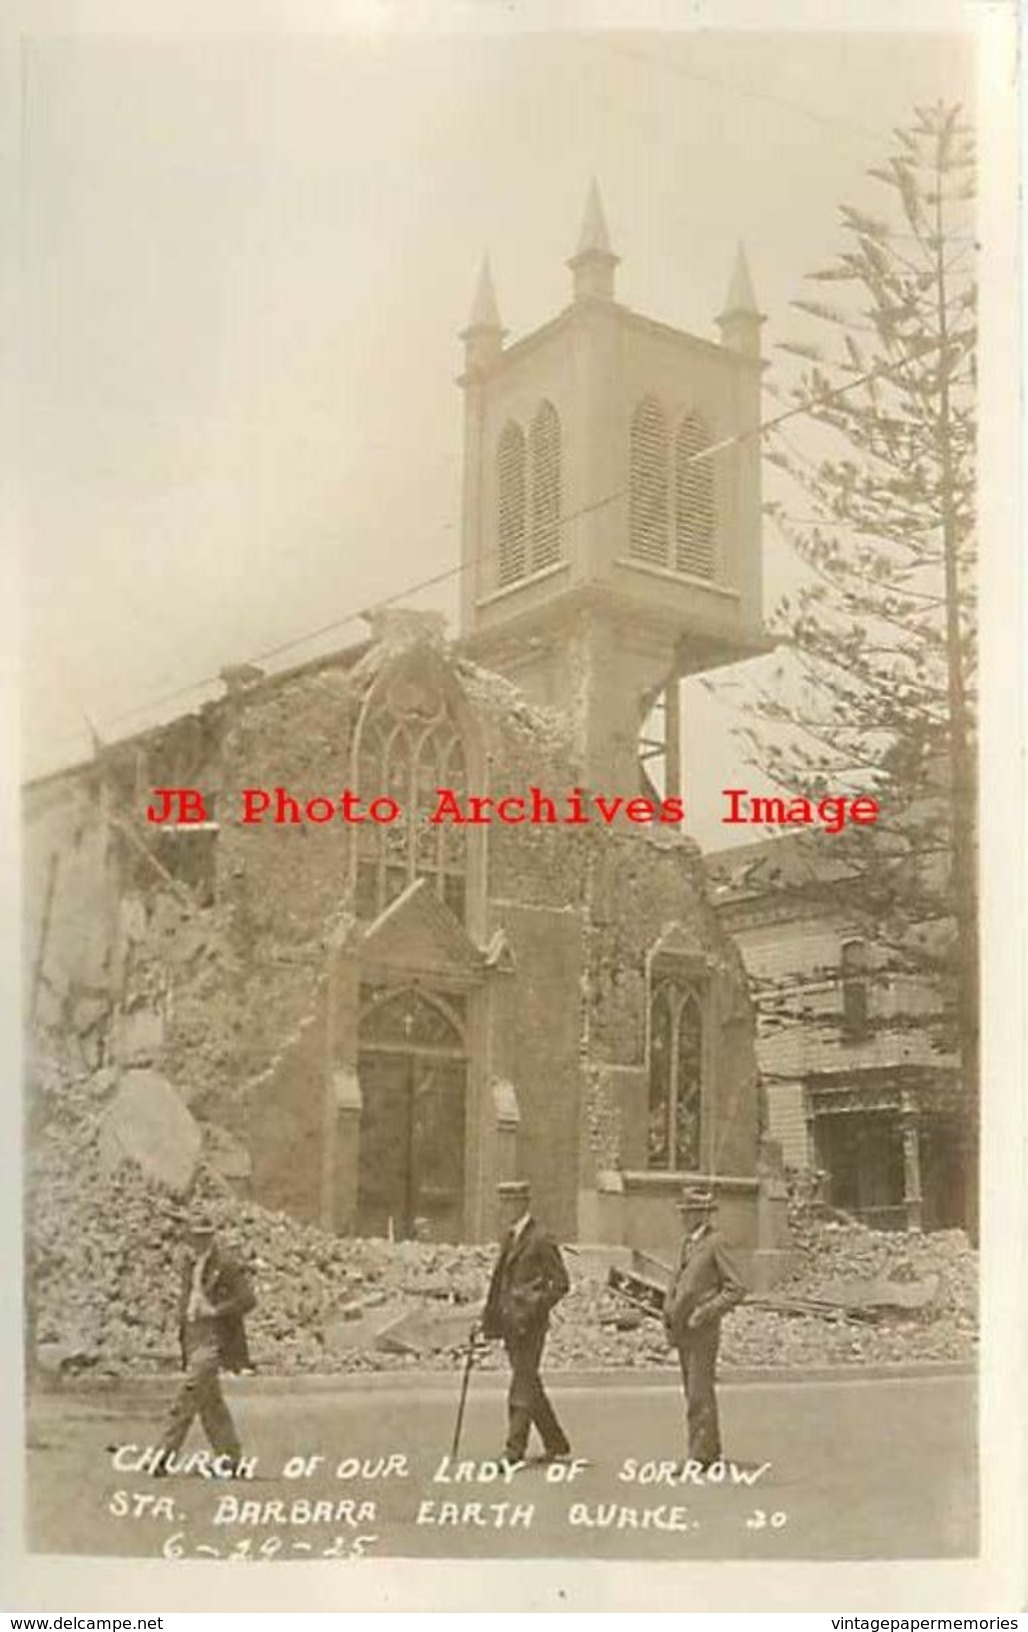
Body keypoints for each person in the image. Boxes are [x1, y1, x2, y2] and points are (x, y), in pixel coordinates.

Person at [154, 1210, 256, 1476]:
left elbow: (247, 1299)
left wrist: (217, 1310)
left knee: (188, 1395)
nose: (198, 1242)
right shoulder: (188, 1265)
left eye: (203, 1237)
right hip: (192, 1336)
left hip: (214, 1337)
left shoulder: (226, 1265)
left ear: (211, 1237)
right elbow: (187, 1297)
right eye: (194, 1237)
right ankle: (231, 1459)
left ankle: (162, 1456)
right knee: (210, 1403)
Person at [481, 1180, 571, 1466]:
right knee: (529, 1381)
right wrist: (488, 1319)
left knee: (521, 1383)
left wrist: (535, 1306)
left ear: (522, 1204)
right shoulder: (510, 1238)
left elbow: (561, 1284)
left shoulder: (541, 1237)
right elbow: (499, 1283)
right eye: (502, 1202)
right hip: (510, 1322)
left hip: (530, 1325)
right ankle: (555, 1442)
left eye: (508, 1203)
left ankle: (513, 1450)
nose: (503, 1208)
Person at [663, 1186, 746, 1469]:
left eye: (689, 1213)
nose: (683, 1218)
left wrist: (706, 1311)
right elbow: (679, 1281)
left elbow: (736, 1289)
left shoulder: (715, 1243)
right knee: (692, 1391)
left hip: (702, 1330)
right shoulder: (688, 1243)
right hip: (683, 1330)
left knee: (700, 1392)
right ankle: (709, 1450)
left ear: (703, 1215)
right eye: (683, 1213)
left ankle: (700, 1456)